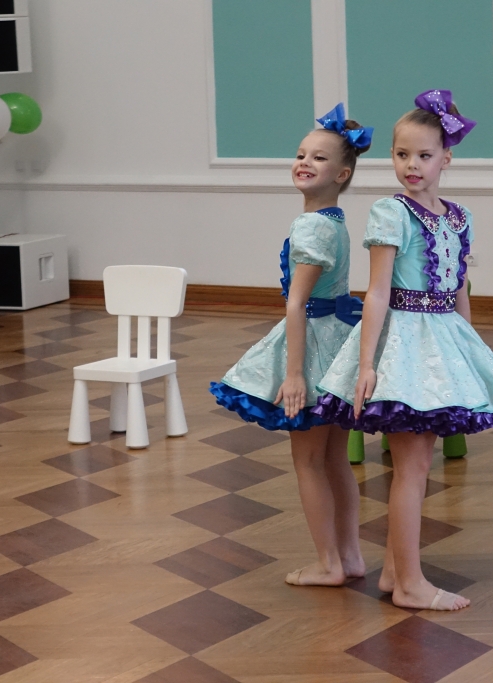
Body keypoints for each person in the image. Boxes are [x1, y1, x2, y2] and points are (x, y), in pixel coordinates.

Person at [313, 90, 493, 611]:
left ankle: (395, 572)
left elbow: (458, 290)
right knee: (411, 468)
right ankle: (410, 584)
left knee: (421, 464)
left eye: (424, 155)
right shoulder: (391, 212)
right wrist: (367, 364)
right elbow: (378, 292)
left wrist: (469, 355)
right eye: (401, 154)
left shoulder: (459, 217)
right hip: (403, 348)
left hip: (442, 340)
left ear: (446, 158)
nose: (412, 165)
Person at [210, 104, 372, 587]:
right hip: (339, 341)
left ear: (341, 174)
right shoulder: (335, 220)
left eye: (318, 158)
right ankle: (350, 556)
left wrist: (295, 372)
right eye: (301, 154)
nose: (304, 162)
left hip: (316, 346)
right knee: (335, 459)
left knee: (308, 461)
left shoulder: (310, 225)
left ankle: (328, 564)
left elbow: (296, 304)